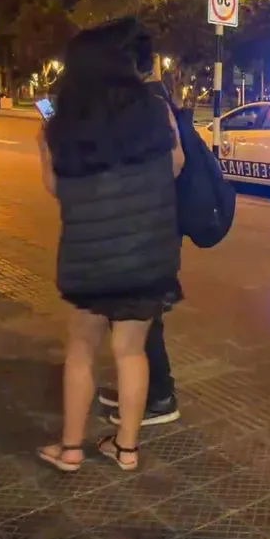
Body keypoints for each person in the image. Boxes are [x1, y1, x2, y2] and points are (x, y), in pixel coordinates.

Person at [36, 18, 184, 474]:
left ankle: (71, 449)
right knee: (131, 352)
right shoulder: (155, 112)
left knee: (82, 348)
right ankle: (126, 449)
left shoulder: (58, 126)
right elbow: (176, 165)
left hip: (89, 256)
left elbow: (54, 188)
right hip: (145, 253)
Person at [98, 46, 179, 428]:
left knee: (137, 317)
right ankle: (142, 388)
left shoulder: (136, 107)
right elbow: (176, 162)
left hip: (133, 230)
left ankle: (159, 396)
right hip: (152, 226)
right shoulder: (155, 103)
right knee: (138, 316)